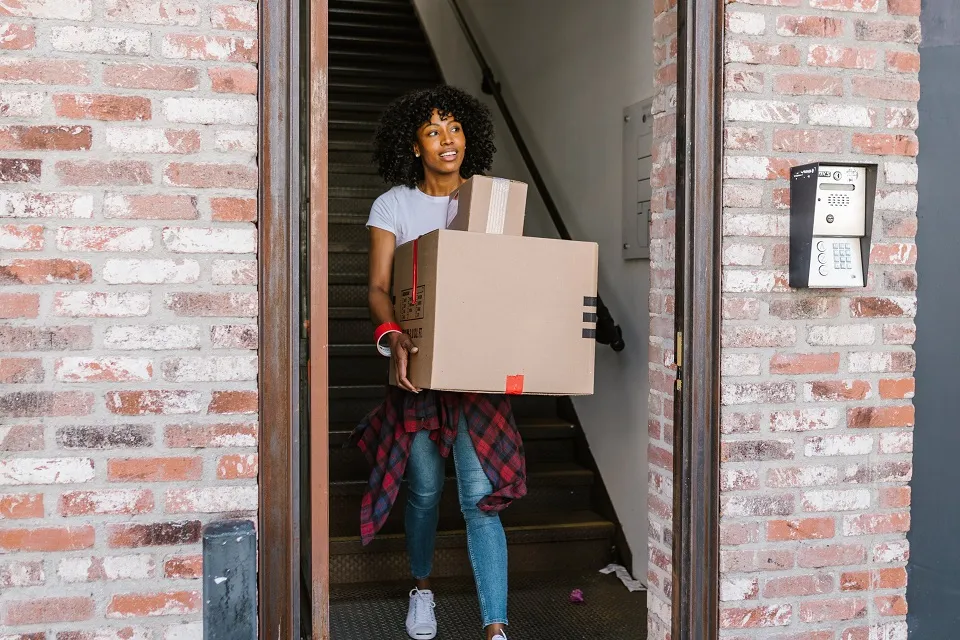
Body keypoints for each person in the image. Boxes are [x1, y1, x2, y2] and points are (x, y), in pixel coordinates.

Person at [347, 85, 528, 640]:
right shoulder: (395, 205)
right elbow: (379, 288)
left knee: (480, 498)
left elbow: (510, 282)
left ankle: (496, 626)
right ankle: (421, 588)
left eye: (453, 128)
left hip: (475, 375)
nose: (446, 140)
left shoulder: (488, 200)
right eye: (432, 131)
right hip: (418, 373)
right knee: (424, 491)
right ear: (414, 144)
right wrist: (393, 335)